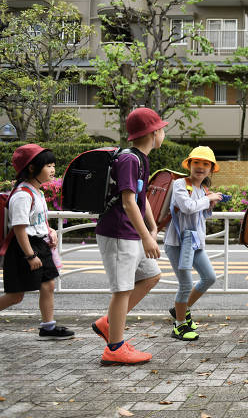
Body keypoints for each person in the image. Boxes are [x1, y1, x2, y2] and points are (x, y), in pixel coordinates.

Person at [91, 108, 166, 365]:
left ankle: (109, 324)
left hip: (131, 232)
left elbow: (140, 198)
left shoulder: (140, 159)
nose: (163, 133)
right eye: (162, 129)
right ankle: (114, 348)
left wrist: (152, 226)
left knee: (151, 275)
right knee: (122, 290)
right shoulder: (129, 160)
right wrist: (147, 236)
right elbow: (127, 201)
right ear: (154, 132)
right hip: (119, 233)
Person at [0, 144, 74, 340]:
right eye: (48, 165)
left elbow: (37, 220)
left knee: (48, 285)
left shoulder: (37, 191)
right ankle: (48, 326)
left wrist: (50, 230)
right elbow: (19, 229)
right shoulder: (23, 195)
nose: (53, 170)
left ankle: (48, 327)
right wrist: (30, 255)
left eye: (53, 165)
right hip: (25, 247)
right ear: (31, 168)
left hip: (40, 244)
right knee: (16, 296)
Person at [164, 146, 223, 341]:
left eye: (206, 164)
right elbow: (188, 208)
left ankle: (181, 309)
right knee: (186, 284)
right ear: (189, 165)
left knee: (209, 277)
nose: (200, 167)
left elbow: (199, 215)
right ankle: (179, 326)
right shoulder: (180, 184)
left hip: (194, 243)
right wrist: (208, 199)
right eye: (196, 162)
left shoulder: (203, 189)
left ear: (211, 169)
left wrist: (209, 203)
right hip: (177, 243)